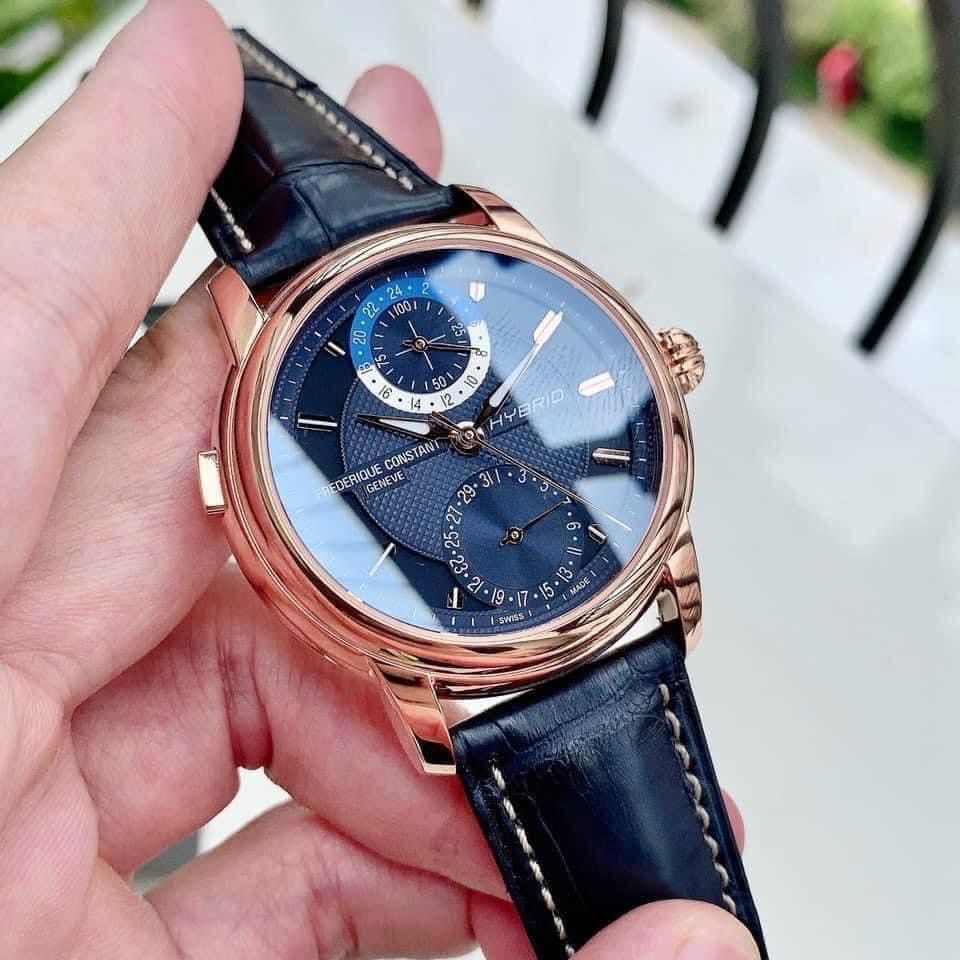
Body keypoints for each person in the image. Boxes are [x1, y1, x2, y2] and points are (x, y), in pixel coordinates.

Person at [0, 2, 762, 958]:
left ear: (664, 361)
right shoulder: (268, 361)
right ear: (235, 494)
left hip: (626, 580)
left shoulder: (485, 236)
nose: (463, 433)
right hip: (463, 665)